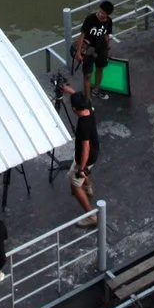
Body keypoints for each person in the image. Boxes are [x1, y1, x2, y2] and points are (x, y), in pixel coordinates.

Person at [62, 78, 98, 219]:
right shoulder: (88, 106)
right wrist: (68, 90)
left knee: (75, 187)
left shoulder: (83, 126)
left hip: (85, 159)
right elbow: (78, 95)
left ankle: (91, 217)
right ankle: (88, 188)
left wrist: (81, 168)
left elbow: (85, 148)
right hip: (95, 152)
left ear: (73, 109)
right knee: (82, 176)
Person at [74, 0, 115, 96]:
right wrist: (78, 52)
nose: (100, 14)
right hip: (88, 50)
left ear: (108, 15)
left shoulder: (109, 21)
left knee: (100, 68)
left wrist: (108, 50)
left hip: (102, 48)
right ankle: (87, 98)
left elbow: (106, 36)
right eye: (100, 11)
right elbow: (82, 35)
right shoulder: (90, 18)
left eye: (103, 14)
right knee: (87, 74)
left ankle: (96, 90)